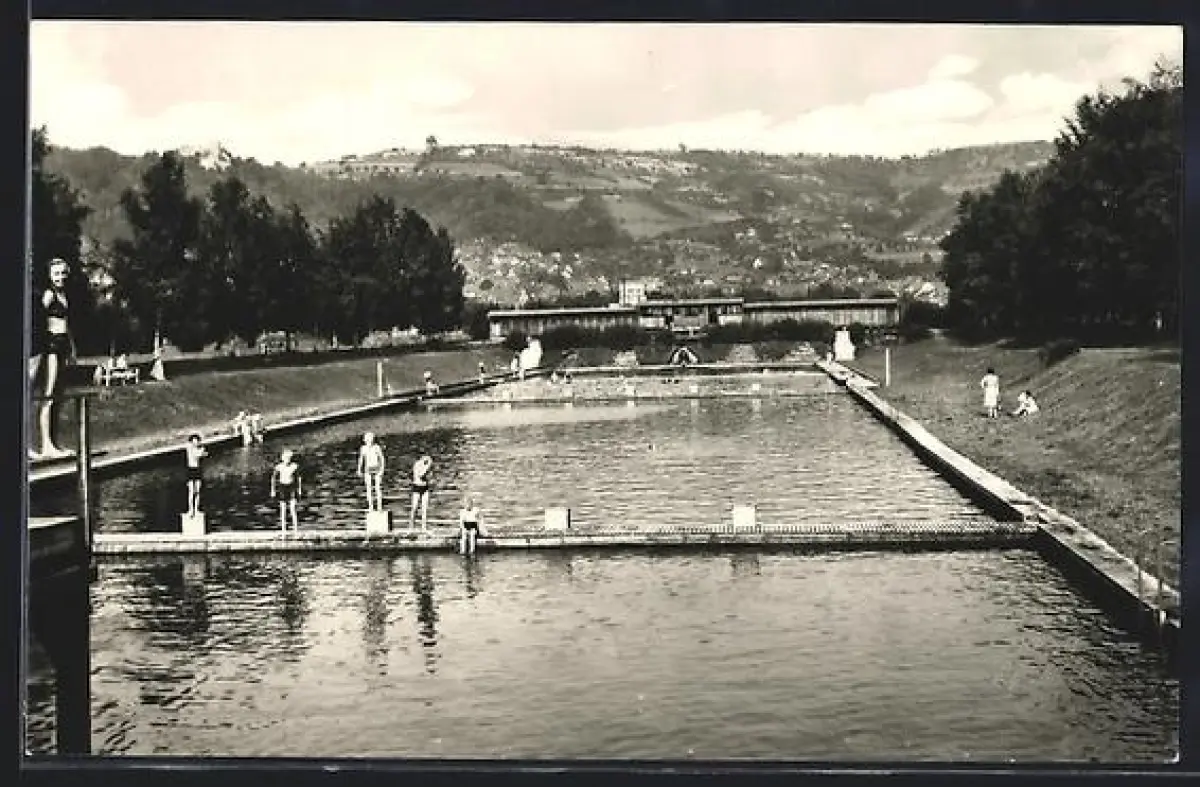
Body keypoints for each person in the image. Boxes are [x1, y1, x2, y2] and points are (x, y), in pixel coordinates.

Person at [29, 258, 77, 460]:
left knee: (57, 395)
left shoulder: (63, 295)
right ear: (49, 275)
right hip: (51, 347)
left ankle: (52, 443)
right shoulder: (49, 295)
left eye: (63, 273)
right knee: (48, 395)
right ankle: (43, 445)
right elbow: (38, 320)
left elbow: (66, 324)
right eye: (56, 273)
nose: (60, 277)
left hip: (62, 346)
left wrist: (73, 349)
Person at [270, 449, 302, 532]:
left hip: (291, 487)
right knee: (283, 509)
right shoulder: (279, 467)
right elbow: (273, 478)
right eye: (286, 458)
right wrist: (273, 490)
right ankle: (283, 530)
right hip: (282, 487)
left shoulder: (294, 466)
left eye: (289, 458)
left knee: (293, 508)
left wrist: (299, 490)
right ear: (282, 458)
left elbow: (298, 478)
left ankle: (295, 529)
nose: (287, 460)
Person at [357, 432, 386, 511]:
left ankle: (379, 506)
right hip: (368, 469)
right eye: (367, 440)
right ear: (365, 440)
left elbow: (382, 458)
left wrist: (382, 470)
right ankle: (371, 506)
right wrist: (359, 469)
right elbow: (361, 459)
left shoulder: (376, 447)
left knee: (378, 488)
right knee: (369, 488)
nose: (369, 442)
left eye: (371, 440)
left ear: (373, 440)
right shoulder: (363, 448)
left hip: (376, 468)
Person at [184, 434, 208, 517]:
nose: (195, 443)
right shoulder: (189, 448)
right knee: (191, 491)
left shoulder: (199, 449)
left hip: (198, 470)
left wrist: (202, 452)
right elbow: (196, 456)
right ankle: (190, 510)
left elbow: (203, 454)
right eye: (194, 441)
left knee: (197, 491)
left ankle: (196, 509)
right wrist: (202, 452)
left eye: (197, 441)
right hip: (190, 470)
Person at [409, 453, 434, 530]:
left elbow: (430, 477)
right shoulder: (417, 465)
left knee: (424, 509)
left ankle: (424, 527)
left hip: (425, 488)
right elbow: (420, 475)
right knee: (415, 507)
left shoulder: (428, 465)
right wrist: (427, 467)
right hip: (417, 487)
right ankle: (411, 526)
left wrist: (429, 472)